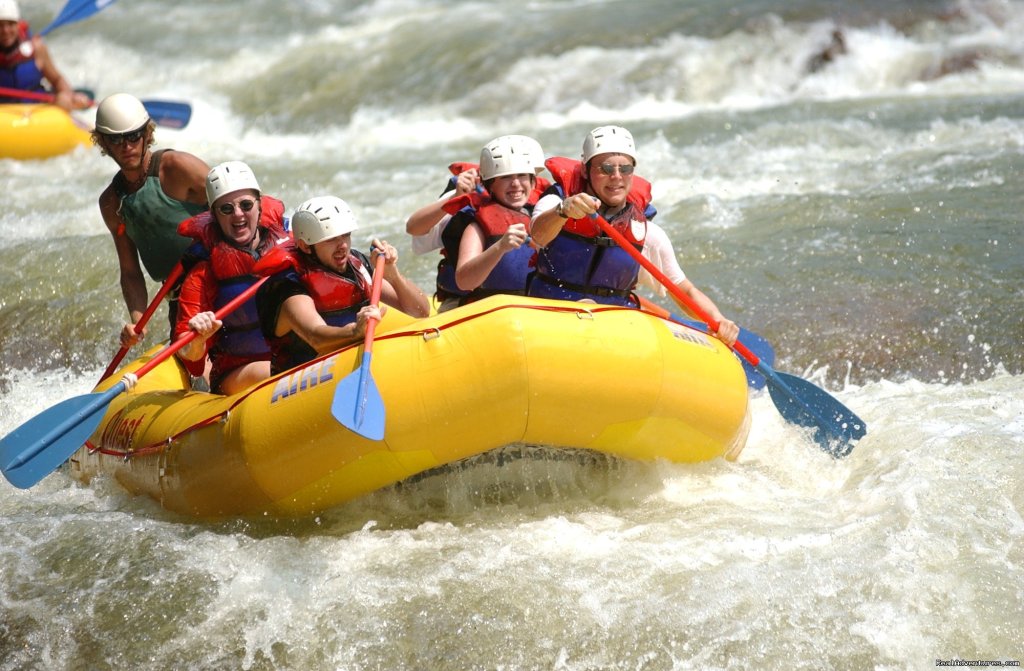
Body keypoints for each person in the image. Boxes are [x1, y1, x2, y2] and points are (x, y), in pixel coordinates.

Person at [529, 125, 740, 345]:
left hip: (613, 331)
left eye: (626, 169)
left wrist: (718, 320)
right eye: (606, 168)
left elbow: (683, 289)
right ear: (585, 171)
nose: (617, 177)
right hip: (551, 318)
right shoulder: (556, 202)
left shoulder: (645, 232)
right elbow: (538, 236)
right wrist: (563, 211)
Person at [256, 196, 430, 375]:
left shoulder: (357, 265)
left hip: (349, 360)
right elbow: (316, 336)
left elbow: (420, 311)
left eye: (346, 235)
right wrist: (355, 332)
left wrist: (393, 275)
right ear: (306, 246)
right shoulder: (289, 284)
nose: (343, 246)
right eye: (330, 239)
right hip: (303, 381)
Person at [93, 93, 210, 348]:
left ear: (147, 133)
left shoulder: (177, 168)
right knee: (191, 359)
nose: (127, 146)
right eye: (116, 139)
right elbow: (131, 272)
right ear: (103, 143)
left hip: (220, 279)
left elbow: (236, 202)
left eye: (134, 136)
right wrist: (138, 322)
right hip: (181, 300)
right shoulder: (111, 202)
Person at [173, 161, 288, 395]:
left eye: (246, 205)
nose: (238, 214)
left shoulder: (292, 244)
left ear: (260, 207)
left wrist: (385, 263)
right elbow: (191, 360)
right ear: (214, 215)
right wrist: (198, 339)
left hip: (293, 358)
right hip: (237, 372)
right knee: (279, 369)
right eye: (226, 209)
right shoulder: (203, 273)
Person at [405, 134, 548, 306]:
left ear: (533, 182)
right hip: (473, 307)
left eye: (522, 175)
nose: (516, 184)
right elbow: (413, 227)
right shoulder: (474, 219)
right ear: (489, 185)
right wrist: (500, 247)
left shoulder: (546, 209)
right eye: (505, 177)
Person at [0, 0, 90, 111]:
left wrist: (66, 94)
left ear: (18, 24)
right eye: (0, 25)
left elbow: (57, 80)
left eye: (10, 24)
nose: (5, 30)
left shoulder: (37, 48)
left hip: (36, 112)